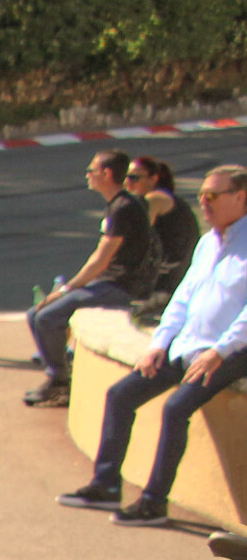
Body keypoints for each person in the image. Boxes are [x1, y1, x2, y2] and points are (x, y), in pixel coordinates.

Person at [57, 164, 247, 527]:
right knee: (121, 395)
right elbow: (182, 299)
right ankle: (106, 484)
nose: (203, 203)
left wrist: (219, 351)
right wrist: (159, 343)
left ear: (241, 197)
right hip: (187, 346)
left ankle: (154, 503)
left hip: (232, 351)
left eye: (212, 196)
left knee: (176, 409)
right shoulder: (208, 243)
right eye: (201, 195)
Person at [24, 150, 156, 407]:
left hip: (122, 287)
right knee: (34, 314)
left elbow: (101, 259)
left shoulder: (124, 207)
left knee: (47, 316)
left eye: (91, 170)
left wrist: (65, 290)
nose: (87, 175)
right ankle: (59, 375)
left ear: (106, 174)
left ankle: (60, 381)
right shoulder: (117, 204)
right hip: (106, 281)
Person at [128, 155, 197, 314]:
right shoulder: (167, 198)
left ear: (153, 179)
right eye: (126, 177)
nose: (127, 182)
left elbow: (135, 239)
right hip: (175, 278)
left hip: (168, 282)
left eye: (134, 177)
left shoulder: (155, 199)